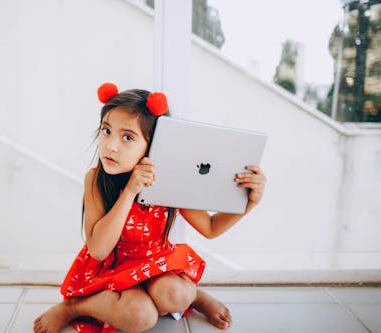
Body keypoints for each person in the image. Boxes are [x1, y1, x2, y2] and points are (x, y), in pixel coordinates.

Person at [34, 82, 266, 333]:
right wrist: (131, 190)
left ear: (154, 146)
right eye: (106, 131)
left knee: (176, 294)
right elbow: (99, 250)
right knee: (140, 317)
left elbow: (210, 228)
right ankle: (74, 307)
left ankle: (194, 296)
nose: (111, 146)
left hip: (156, 265)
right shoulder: (97, 180)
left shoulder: (169, 181)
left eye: (127, 137)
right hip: (112, 269)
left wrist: (249, 202)